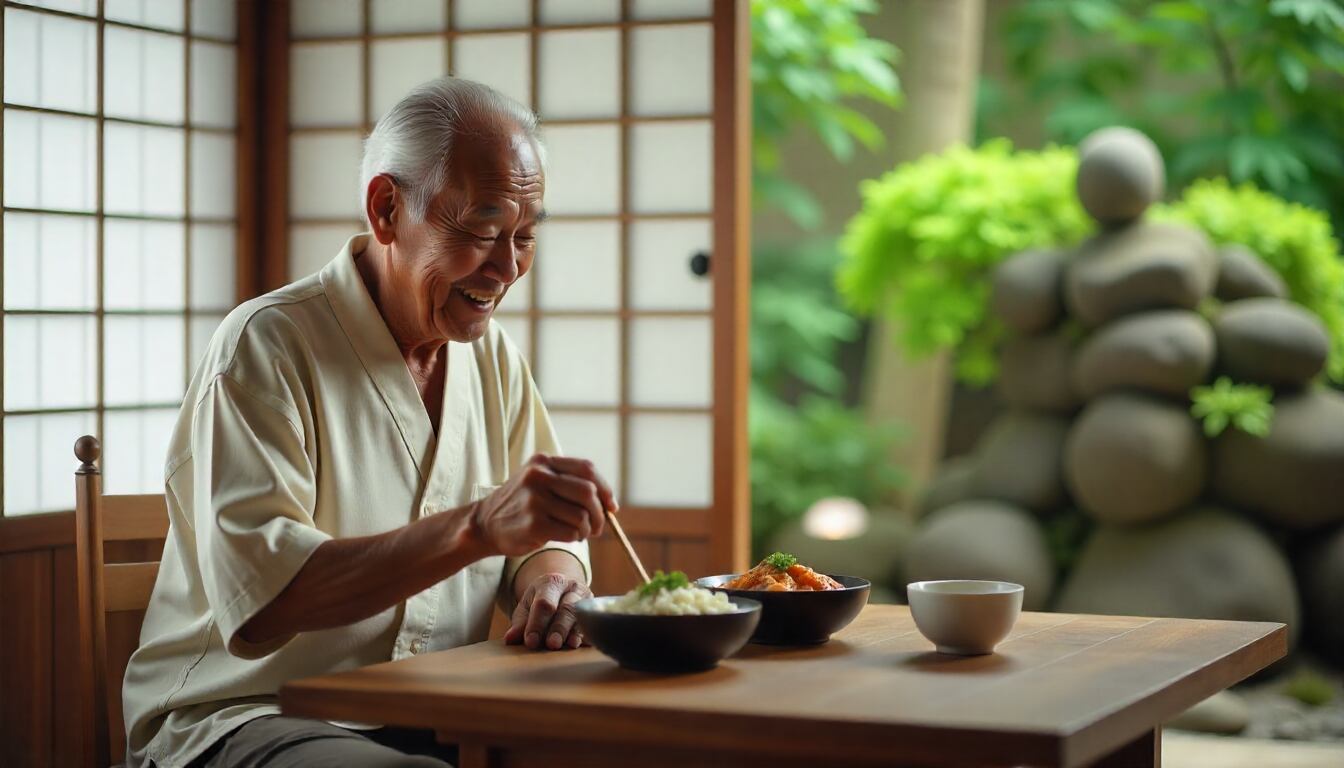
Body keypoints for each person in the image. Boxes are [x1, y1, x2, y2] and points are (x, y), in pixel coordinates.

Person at [122, 77, 611, 767]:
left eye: (524, 237)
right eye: (482, 231)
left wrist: (552, 583)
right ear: (387, 209)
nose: (506, 268)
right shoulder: (265, 345)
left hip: (440, 708)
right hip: (250, 714)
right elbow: (267, 596)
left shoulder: (492, 357)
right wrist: (475, 527)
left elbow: (542, 536)